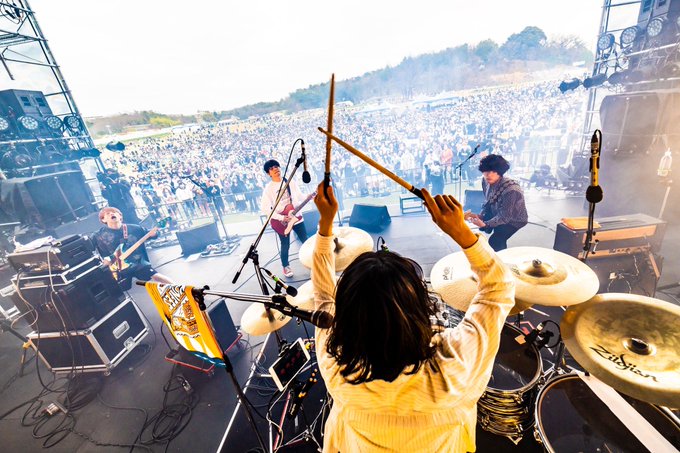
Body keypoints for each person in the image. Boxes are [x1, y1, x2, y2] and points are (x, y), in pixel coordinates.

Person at [311, 182, 514, 453]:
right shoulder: (453, 368)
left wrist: (325, 225)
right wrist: (461, 232)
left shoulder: (335, 365)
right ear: (420, 307)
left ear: (346, 313)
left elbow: (323, 298)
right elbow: (499, 290)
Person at [91, 207, 173, 290]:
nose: (112, 214)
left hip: (137, 263)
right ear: (103, 220)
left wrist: (155, 234)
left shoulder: (134, 228)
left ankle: (178, 290)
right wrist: (101, 261)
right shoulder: (98, 235)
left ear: (120, 216)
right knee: (115, 290)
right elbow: (88, 249)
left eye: (114, 212)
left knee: (157, 276)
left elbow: (152, 234)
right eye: (108, 213)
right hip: (116, 268)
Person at [465, 154, 528, 251]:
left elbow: (505, 217)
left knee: (496, 240)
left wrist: (485, 224)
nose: (488, 175)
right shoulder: (485, 181)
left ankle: (501, 258)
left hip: (515, 220)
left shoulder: (511, 190)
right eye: (486, 171)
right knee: (494, 232)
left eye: (493, 171)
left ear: (500, 172)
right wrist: (481, 215)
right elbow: (489, 201)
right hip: (497, 211)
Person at [260, 159, 309, 278]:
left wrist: (310, 196)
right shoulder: (269, 189)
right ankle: (285, 266)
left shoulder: (290, 181)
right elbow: (265, 208)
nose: (275, 169)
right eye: (271, 168)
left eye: (276, 166)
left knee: (305, 240)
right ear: (268, 173)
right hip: (281, 221)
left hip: (296, 216)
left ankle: (313, 260)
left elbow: (299, 196)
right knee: (285, 244)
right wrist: (281, 217)